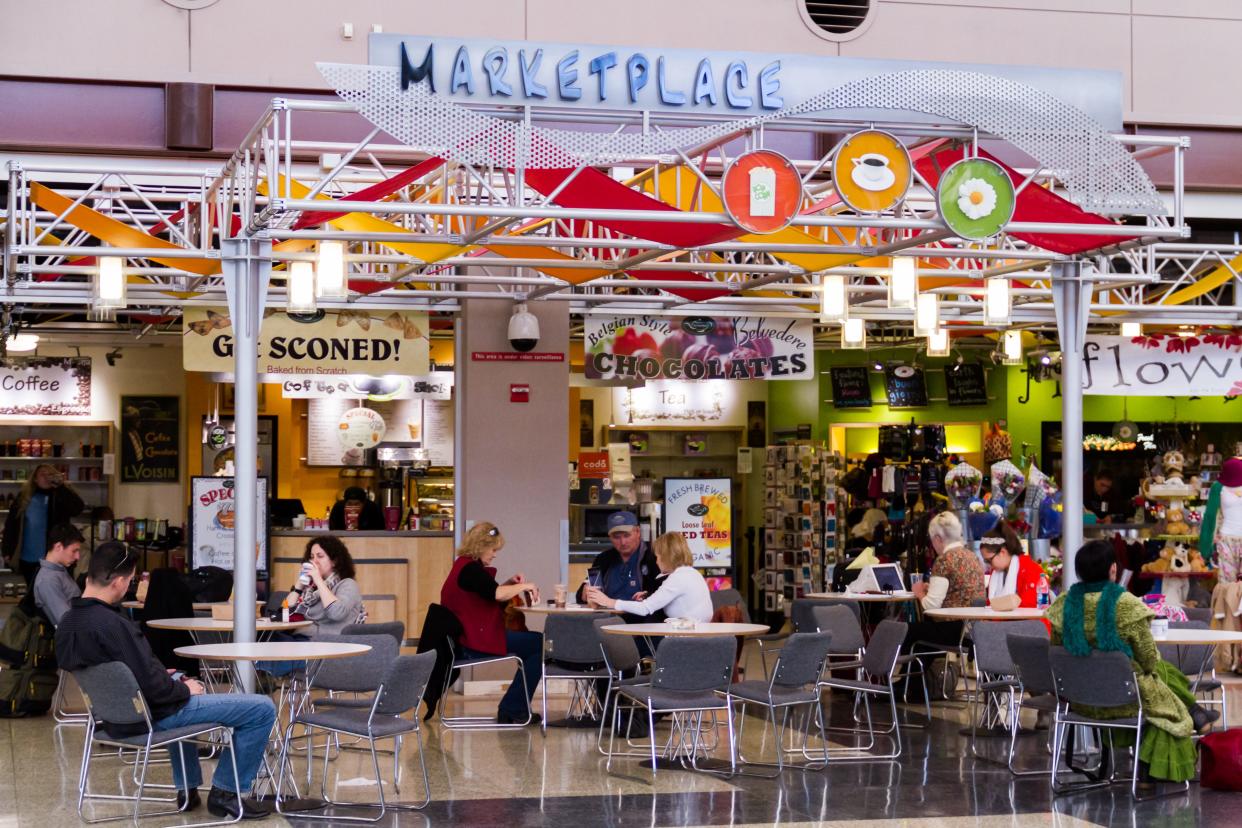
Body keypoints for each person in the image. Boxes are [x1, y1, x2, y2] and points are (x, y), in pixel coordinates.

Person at [55, 542, 276, 819]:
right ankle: (227, 793)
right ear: (120, 582)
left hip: (112, 718)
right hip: (152, 715)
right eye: (131, 581)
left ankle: (187, 790)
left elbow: (121, 676)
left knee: (179, 683)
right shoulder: (114, 625)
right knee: (260, 708)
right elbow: (157, 691)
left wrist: (169, 680)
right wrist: (182, 687)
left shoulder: (67, 623)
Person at [1045, 539, 1219, 783]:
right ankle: (1185, 726)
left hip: (1081, 700)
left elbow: (1058, 652)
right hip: (1126, 701)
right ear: (1113, 569)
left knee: (1158, 674)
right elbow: (1148, 659)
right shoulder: (1125, 605)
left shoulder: (1062, 606)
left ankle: (1196, 713)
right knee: (1162, 684)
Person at [439, 522, 542, 725]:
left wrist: (511, 584)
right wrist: (525, 585)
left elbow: (489, 593)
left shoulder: (465, 566)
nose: (494, 554)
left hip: (463, 640)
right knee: (540, 644)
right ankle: (513, 708)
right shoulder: (470, 570)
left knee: (536, 644)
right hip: (470, 644)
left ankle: (514, 708)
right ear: (481, 546)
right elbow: (495, 594)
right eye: (493, 549)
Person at [904, 511, 985, 653]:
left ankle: (906, 674)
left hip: (952, 630)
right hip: (973, 629)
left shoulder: (944, 560)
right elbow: (960, 590)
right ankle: (915, 675)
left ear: (937, 538)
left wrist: (920, 593)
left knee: (907, 630)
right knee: (922, 637)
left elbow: (931, 607)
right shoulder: (971, 556)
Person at [586, 531, 712, 622]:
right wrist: (650, 596)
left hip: (683, 641)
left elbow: (645, 608)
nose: (656, 562)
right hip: (695, 637)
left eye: (657, 557)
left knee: (628, 643)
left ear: (667, 556)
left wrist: (609, 602)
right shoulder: (691, 574)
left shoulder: (678, 578)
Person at [2, 464, 85, 586]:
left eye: (50, 474)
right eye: (42, 474)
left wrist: (60, 487)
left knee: (58, 593)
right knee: (34, 595)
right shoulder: (24, 497)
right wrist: (7, 550)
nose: (47, 477)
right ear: (35, 479)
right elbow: (11, 525)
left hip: (56, 557)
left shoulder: (61, 495)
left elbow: (77, 509)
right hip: (29, 556)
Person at [574, 511, 660, 619]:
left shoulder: (654, 557)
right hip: (606, 621)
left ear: (638, 532)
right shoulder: (603, 559)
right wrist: (585, 593)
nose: (623, 542)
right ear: (610, 537)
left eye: (627, 535)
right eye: (616, 537)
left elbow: (663, 596)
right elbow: (581, 596)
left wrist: (647, 595)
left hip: (643, 622)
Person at [285, 535, 367, 638]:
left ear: (334, 561)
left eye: (320, 556)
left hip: (328, 644)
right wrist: (299, 586)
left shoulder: (348, 585)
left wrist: (318, 580)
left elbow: (336, 613)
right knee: (266, 637)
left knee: (270, 641)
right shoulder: (311, 589)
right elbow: (285, 614)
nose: (314, 561)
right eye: (311, 557)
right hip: (301, 638)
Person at [981, 523, 1045, 609]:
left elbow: (1029, 608)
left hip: (1027, 620)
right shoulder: (996, 572)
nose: (989, 566)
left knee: (979, 623)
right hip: (1003, 619)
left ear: (1002, 552)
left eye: (989, 560)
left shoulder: (1031, 570)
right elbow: (990, 604)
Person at [32, 523, 83, 625]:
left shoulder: (59, 571)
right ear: (58, 547)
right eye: (74, 551)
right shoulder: (48, 580)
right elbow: (66, 622)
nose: (78, 557)